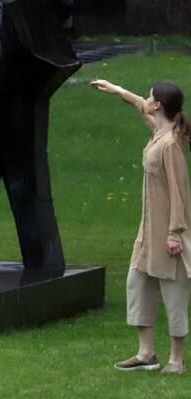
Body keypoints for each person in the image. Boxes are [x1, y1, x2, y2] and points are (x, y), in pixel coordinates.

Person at [93, 78, 191, 374]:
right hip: (148, 232)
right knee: (137, 285)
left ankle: (176, 360)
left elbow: (179, 192)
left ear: (158, 105)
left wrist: (175, 234)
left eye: (150, 97)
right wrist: (117, 90)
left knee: (174, 296)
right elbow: (140, 106)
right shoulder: (158, 132)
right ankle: (146, 354)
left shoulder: (171, 144)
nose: (146, 100)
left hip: (170, 234)